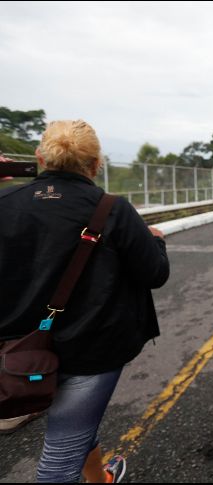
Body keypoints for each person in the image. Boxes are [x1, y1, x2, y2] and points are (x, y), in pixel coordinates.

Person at [0, 120, 170, 483]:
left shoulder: (5, 203)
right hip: (91, 352)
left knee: (75, 428)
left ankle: (100, 478)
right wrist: (155, 241)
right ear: (95, 165)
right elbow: (155, 273)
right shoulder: (112, 209)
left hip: (18, 351)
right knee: (59, 461)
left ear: (39, 157)